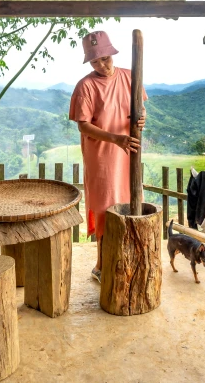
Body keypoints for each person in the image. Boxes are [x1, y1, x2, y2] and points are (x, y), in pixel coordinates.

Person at [68, 30, 146, 283]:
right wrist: (115, 138)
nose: (101, 64)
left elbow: (140, 107)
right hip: (102, 155)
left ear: (112, 54)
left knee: (129, 200)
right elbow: (83, 125)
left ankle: (126, 257)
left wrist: (142, 118)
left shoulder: (129, 76)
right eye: (95, 61)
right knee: (104, 207)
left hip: (129, 152)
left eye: (105, 58)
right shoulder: (86, 86)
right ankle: (101, 265)